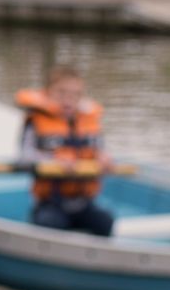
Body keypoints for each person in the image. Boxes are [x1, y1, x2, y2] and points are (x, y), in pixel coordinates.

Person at [15, 66, 115, 237]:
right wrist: (53, 161)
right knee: (51, 223)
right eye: (61, 93)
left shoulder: (88, 122)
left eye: (75, 95)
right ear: (49, 93)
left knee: (105, 222)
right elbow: (25, 157)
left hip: (84, 203)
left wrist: (104, 158)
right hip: (50, 203)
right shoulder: (35, 122)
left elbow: (100, 150)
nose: (68, 100)